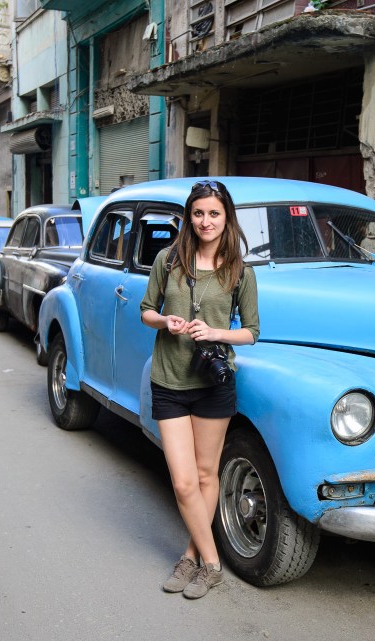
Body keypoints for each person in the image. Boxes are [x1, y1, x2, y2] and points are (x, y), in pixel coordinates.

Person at [139, 180, 260, 599]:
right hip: (169, 379)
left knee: (208, 475)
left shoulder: (239, 271)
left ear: (226, 219)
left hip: (212, 384)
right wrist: (165, 321)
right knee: (184, 482)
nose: (205, 221)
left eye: (214, 214)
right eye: (198, 213)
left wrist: (216, 332)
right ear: (188, 217)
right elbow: (145, 311)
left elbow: (252, 332)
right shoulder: (168, 259)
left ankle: (191, 556)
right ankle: (213, 563)